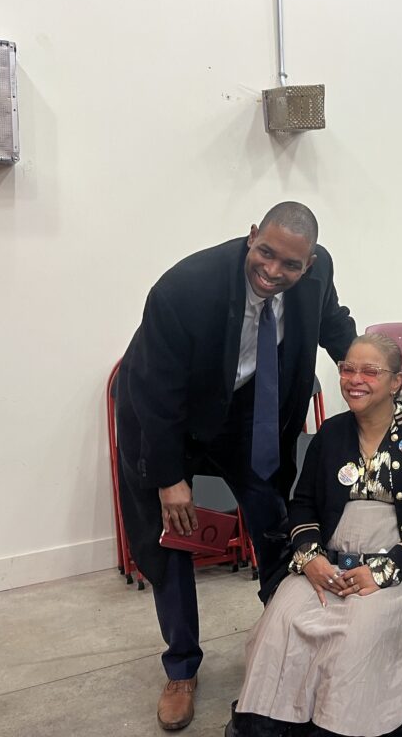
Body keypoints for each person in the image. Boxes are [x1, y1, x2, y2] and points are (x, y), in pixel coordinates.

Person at [115, 201, 356, 731]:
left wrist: (365, 371)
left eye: (289, 265)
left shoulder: (318, 276)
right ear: (251, 237)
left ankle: (288, 637)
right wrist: (169, 478)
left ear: (309, 263)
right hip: (167, 419)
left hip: (246, 414)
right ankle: (181, 669)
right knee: (172, 538)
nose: (272, 272)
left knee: (276, 524)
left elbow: (334, 326)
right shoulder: (185, 287)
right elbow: (154, 392)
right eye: (265, 253)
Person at [229, 333, 402, 737]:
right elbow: (302, 504)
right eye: (347, 369)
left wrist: (385, 570)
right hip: (328, 566)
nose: (355, 379)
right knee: (278, 625)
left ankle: (337, 727)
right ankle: (266, 725)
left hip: (396, 574)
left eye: (369, 371)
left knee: (356, 638)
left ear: (395, 382)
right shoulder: (331, 434)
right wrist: (310, 557)